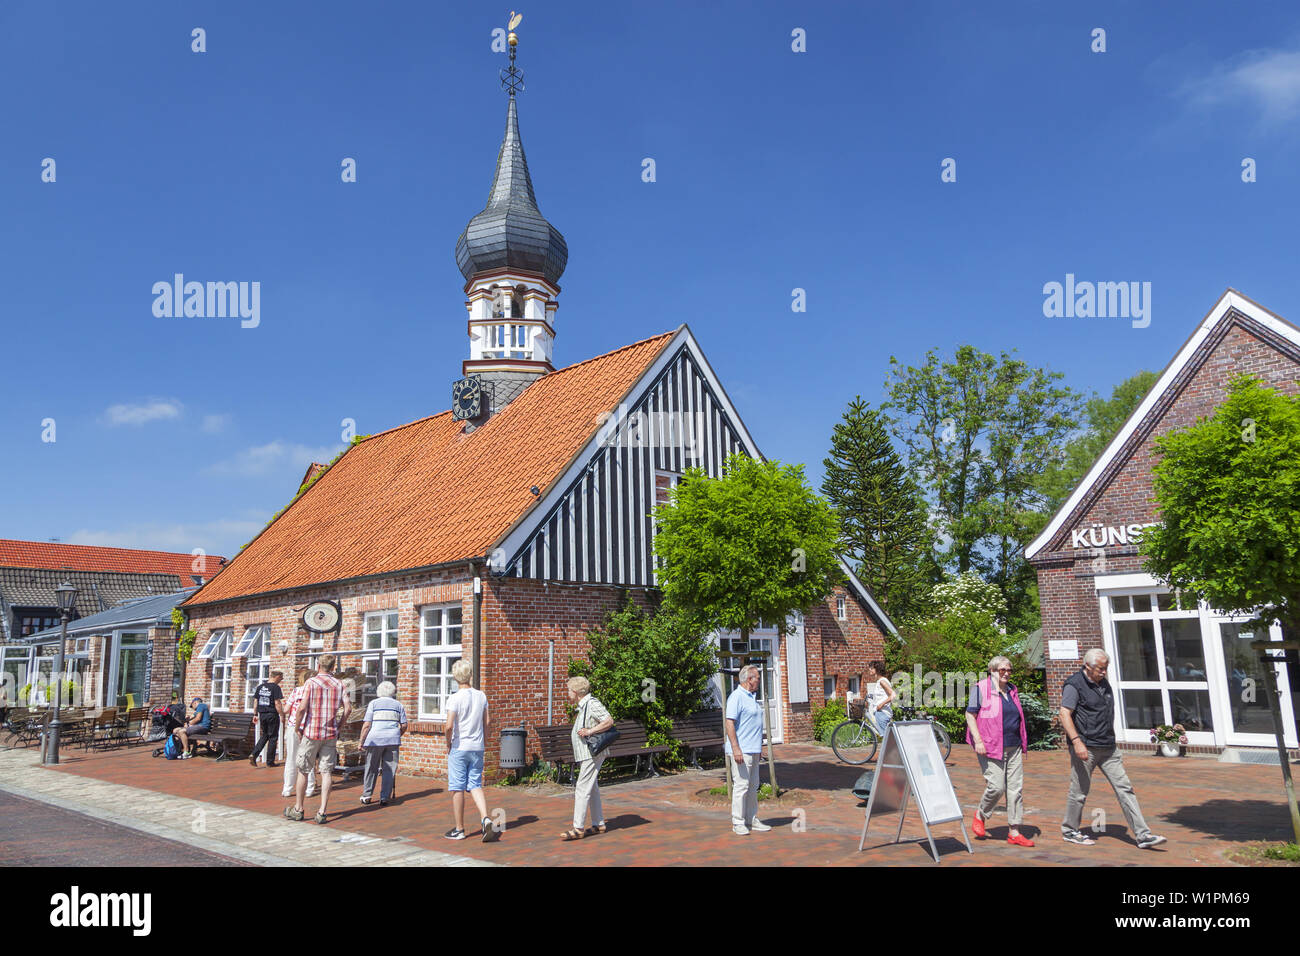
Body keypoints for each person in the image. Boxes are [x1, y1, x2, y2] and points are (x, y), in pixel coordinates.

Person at [1059, 648, 1167, 849]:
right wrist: (1076, 742)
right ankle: (1070, 830)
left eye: (1106, 668)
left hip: (1108, 747)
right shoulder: (1074, 685)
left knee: (1125, 788)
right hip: (1086, 747)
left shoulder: (1103, 684)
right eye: (1100, 668)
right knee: (1079, 791)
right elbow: (1065, 714)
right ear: (1088, 667)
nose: (1104, 672)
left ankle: (1143, 835)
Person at [965, 655, 1033, 847]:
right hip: (989, 746)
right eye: (1002, 670)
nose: (1006, 673)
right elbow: (970, 715)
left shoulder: (1012, 690)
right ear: (992, 670)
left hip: (1014, 745)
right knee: (996, 787)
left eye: (1009, 670)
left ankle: (1014, 831)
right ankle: (980, 814)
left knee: (1015, 789)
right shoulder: (980, 689)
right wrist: (978, 740)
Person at [285, 654, 350, 825]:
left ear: (318, 665)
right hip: (330, 733)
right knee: (327, 771)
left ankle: (298, 808)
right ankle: (322, 811)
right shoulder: (339, 684)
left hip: (311, 732)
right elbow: (348, 708)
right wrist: (339, 726)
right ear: (333, 667)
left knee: (304, 770)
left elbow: (301, 708)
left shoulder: (311, 683)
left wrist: (299, 727)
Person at [443, 660, 497, 841]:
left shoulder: (455, 698)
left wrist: (448, 742)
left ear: (455, 676)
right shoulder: (481, 696)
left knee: (457, 787)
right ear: (470, 674)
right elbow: (487, 722)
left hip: (460, 747)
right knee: (475, 784)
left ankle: (459, 829)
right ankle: (485, 817)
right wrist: (485, 739)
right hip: (477, 747)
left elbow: (449, 725)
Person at [563, 676, 614, 841]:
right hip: (586, 753)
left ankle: (578, 827)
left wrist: (590, 732)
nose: (568, 693)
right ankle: (599, 824)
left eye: (569, 690)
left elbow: (609, 721)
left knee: (582, 788)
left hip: (591, 753)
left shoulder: (591, 704)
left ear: (576, 692)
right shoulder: (584, 705)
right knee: (592, 788)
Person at [725, 664, 770, 836]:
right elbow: (729, 723)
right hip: (741, 750)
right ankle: (738, 822)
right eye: (757, 677)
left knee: (753, 786)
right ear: (749, 680)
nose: (759, 680)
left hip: (753, 749)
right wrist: (736, 748)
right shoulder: (736, 697)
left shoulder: (751, 697)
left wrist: (759, 748)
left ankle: (752, 819)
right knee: (741, 786)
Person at [359, 680, 408, 807]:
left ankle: (367, 795)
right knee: (389, 769)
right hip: (392, 740)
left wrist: (361, 742)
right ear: (393, 692)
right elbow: (404, 725)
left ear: (379, 691)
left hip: (374, 740)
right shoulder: (398, 705)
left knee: (371, 767)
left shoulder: (373, 704)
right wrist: (397, 735)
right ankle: (384, 797)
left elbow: (367, 725)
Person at [281, 669, 316, 799]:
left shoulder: (296, 691)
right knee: (309, 758)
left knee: (291, 758)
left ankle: (287, 789)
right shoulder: (316, 692)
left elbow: (285, 710)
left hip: (293, 727)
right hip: (308, 727)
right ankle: (309, 788)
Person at [249, 670, 285, 767]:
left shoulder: (260, 687)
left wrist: (255, 714)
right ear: (276, 676)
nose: (282, 679)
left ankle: (254, 754)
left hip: (262, 715)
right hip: (272, 714)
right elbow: (277, 703)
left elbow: (256, 701)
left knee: (265, 735)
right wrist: (282, 715)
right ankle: (270, 762)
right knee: (273, 738)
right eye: (281, 677)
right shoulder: (275, 688)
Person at [864, 660, 896, 738]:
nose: (869, 670)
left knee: (886, 739)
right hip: (881, 713)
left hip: (883, 713)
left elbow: (893, 695)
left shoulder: (882, 681)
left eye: (871, 668)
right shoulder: (880, 681)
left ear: (877, 669)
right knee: (887, 739)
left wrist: (881, 704)